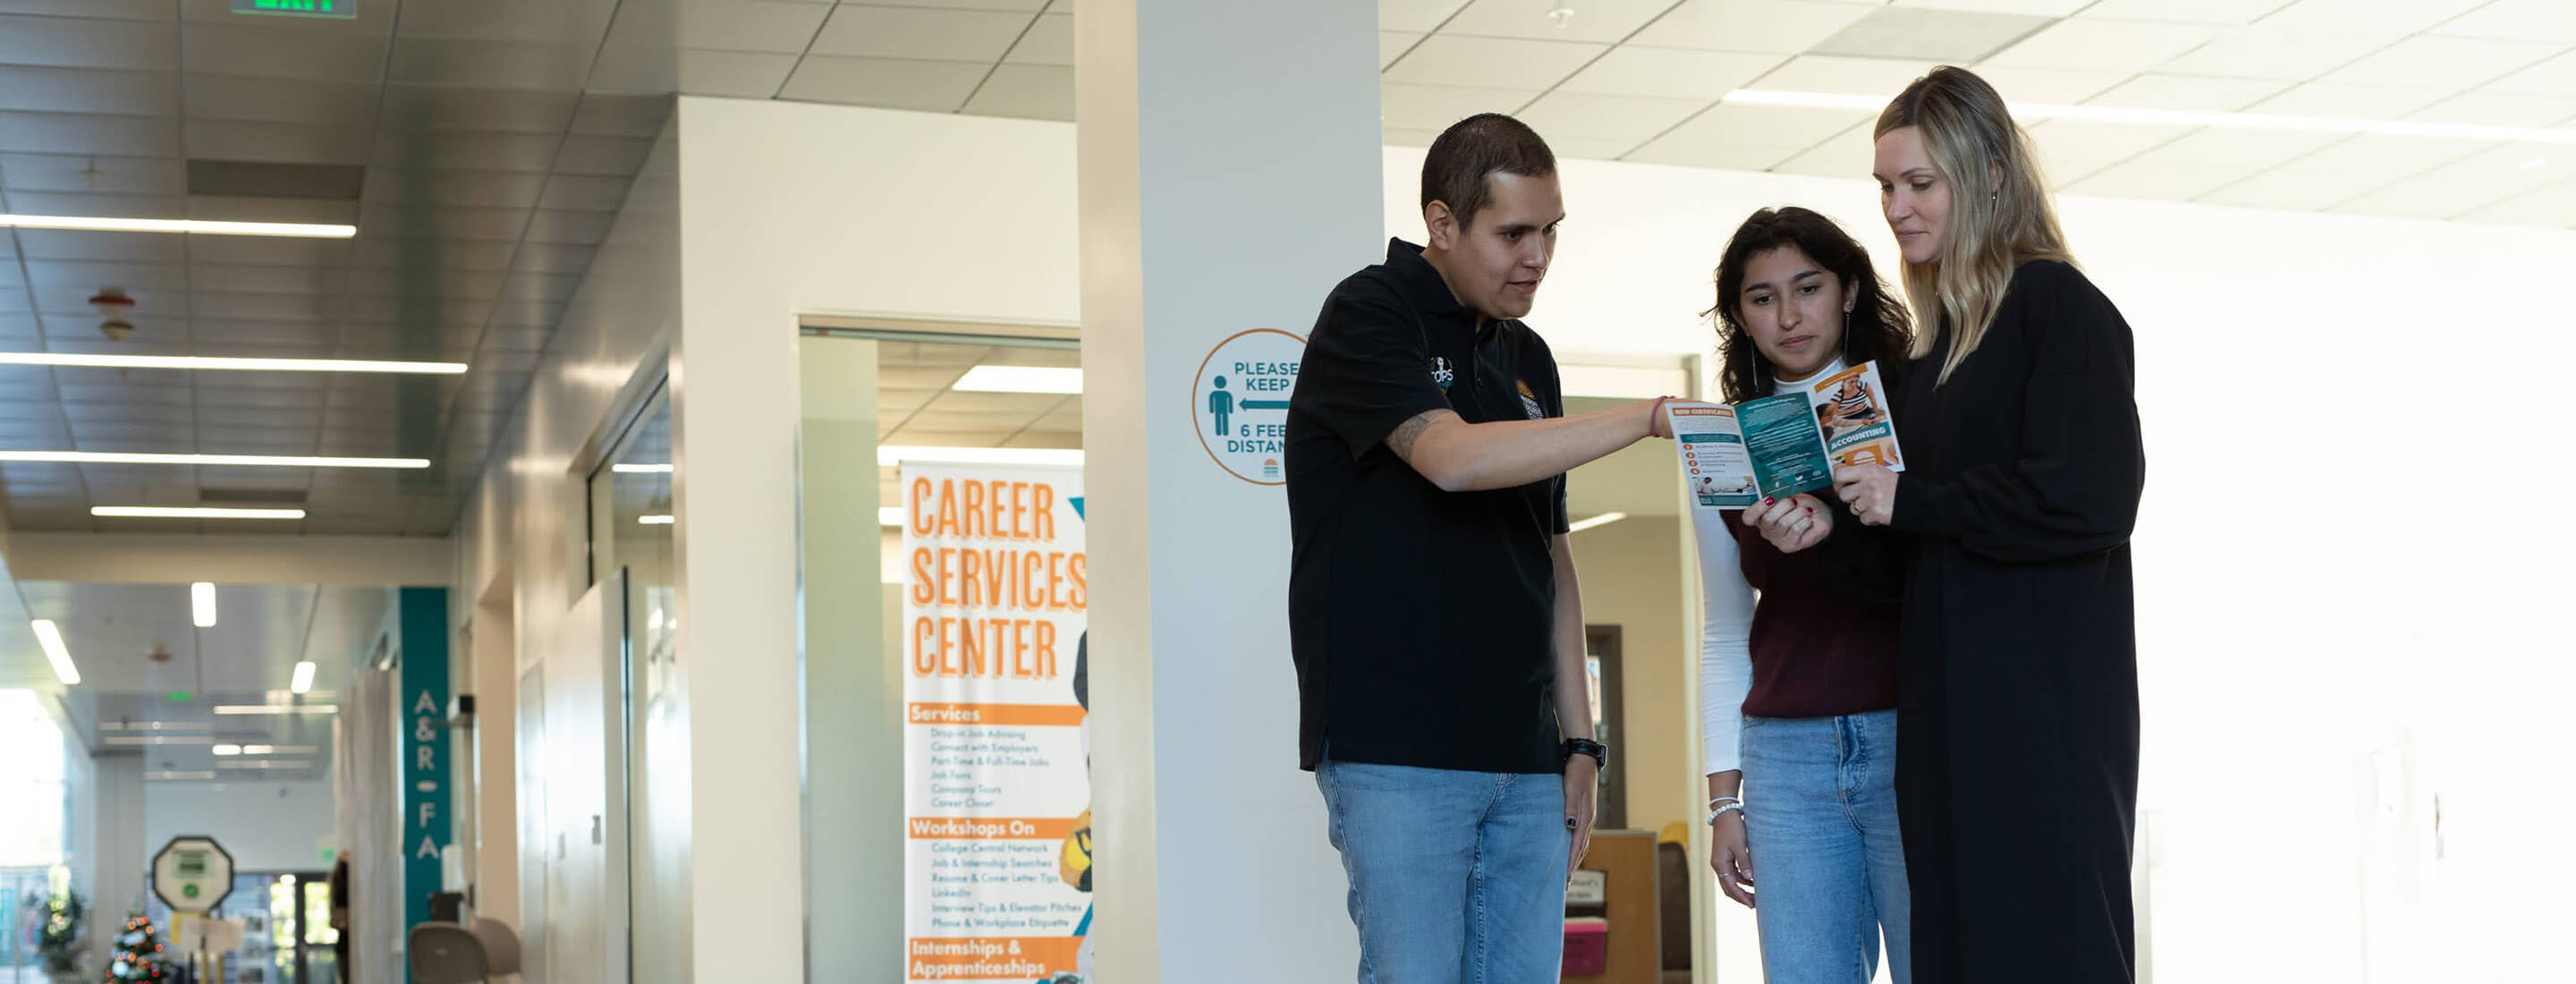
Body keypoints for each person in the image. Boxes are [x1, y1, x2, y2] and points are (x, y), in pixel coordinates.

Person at [1285, 112, 1674, 983]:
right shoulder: (1369, 313)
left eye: (1550, 232)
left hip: (1528, 758)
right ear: (1443, 223)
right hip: (1397, 749)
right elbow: (1452, 460)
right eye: (1513, 233)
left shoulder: (1528, 354)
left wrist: (1582, 743)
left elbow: (1555, 560)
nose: (1536, 255)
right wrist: (1648, 418)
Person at [1824, 65, 2148, 984]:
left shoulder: (2061, 310)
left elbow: (2090, 500)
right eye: (1886, 187)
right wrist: (1823, 530)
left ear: (1991, 176)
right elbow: (1906, 562)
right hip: (1945, 720)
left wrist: (1911, 499)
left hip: (2042, 719)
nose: (1896, 207)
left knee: (2048, 948)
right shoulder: (1928, 354)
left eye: (1920, 183)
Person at [1696, 207, 1917, 984]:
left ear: (1849, 291)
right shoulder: (1720, 440)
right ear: (1740, 318)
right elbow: (1724, 631)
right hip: (1784, 756)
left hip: (1913, 733)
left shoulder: (1918, 406)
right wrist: (1724, 801)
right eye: (1761, 298)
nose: (1788, 316)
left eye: (1808, 287)